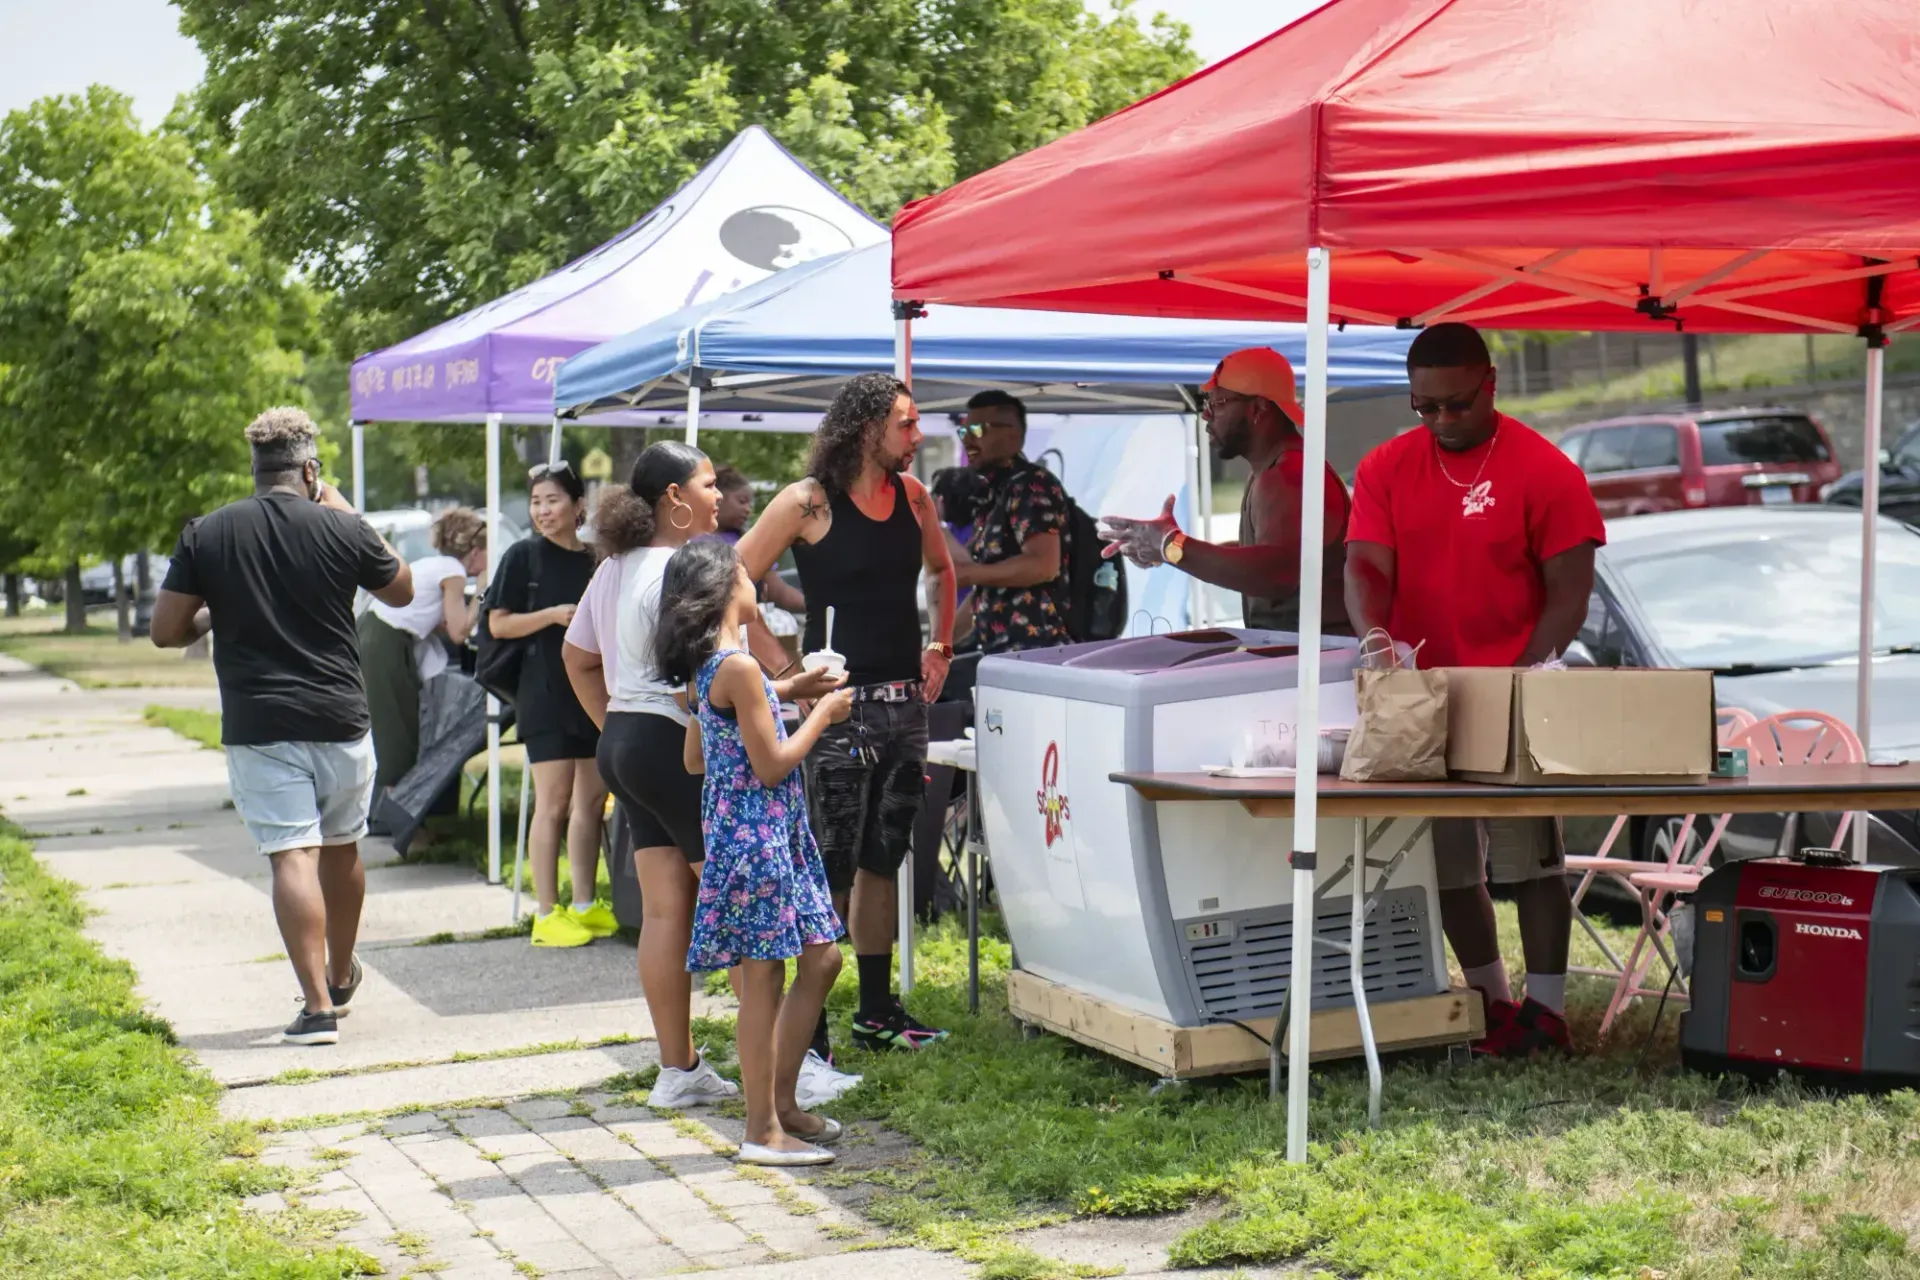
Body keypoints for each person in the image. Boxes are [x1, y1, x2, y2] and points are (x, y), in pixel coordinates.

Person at [561, 444, 858, 1111]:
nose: (718, 494)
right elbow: (716, 687)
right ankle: (793, 1067)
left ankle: (679, 1067)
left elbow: (576, 657)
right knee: (753, 924)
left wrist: (615, 721)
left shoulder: (612, 567)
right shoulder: (691, 570)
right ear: (674, 498)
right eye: (705, 483)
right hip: (676, 748)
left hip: (625, 744)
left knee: (667, 911)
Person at [1344, 322, 1605, 1057]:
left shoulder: (1544, 469)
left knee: (1532, 860)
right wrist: (1375, 637)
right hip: (1422, 693)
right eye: (1424, 408)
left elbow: (1569, 594)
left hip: (1515, 687)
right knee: (1449, 862)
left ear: (1491, 383)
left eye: (1456, 405)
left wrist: (1526, 676)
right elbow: (1365, 564)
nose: (1442, 421)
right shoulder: (1386, 467)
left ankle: (1546, 1012)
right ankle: (1490, 1001)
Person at [150, 407, 413, 1046]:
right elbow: (401, 590)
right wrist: (344, 507)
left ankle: (317, 1007)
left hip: (258, 721)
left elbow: (165, 631)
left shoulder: (207, 534)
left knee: (290, 852)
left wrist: (212, 617)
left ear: (256, 468)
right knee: (343, 844)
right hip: (340, 716)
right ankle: (342, 971)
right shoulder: (342, 529)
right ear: (310, 469)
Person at [737, 372, 958, 1053]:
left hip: (903, 707)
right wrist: (783, 673)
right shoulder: (808, 503)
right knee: (828, 864)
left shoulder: (914, 497)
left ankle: (874, 1011)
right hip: (834, 711)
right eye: (906, 424)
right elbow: (733, 582)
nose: (918, 437)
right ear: (867, 428)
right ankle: (811, 1030)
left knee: (883, 861)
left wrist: (941, 645)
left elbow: (943, 572)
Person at [658, 538, 854, 1166]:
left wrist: (784, 689)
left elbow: (697, 757)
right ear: (723, 589)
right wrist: (821, 713)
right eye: (747, 574)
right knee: (765, 978)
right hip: (757, 837)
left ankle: (783, 1104)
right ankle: (762, 1129)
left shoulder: (719, 667)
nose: (757, 582)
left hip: (761, 835)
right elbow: (770, 767)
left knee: (821, 961)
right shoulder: (736, 668)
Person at [1098, 347, 1352, 634]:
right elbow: (1259, 554)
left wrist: (1173, 546)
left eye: (1217, 403)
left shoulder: (1288, 475)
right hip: (1308, 656)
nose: (1206, 415)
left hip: (1318, 661)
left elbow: (1275, 574)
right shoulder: (1275, 469)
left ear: (1257, 409)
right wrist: (1170, 548)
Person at [488, 461, 609, 948]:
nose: (542, 510)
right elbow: (498, 624)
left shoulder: (598, 558)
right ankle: (545, 911)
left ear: (579, 506)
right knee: (553, 804)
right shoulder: (523, 557)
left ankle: (583, 902)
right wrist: (551, 616)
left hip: (593, 693)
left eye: (552, 500)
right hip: (543, 695)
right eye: (536, 501)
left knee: (592, 803)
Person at [358, 507, 488, 790]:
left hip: (375, 633)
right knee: (398, 727)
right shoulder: (453, 571)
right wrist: (481, 590)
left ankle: (390, 806)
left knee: (389, 723)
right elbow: (458, 632)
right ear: (476, 551)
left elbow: (435, 619)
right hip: (387, 643)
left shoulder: (432, 565)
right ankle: (400, 811)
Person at [946, 391, 1074, 653]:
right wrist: (937, 646)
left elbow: (1042, 565)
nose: (968, 439)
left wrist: (969, 573)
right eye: (964, 432)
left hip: (1041, 654)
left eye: (978, 430)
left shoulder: (1030, 485)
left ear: (1013, 435)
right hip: (1007, 656)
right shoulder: (993, 493)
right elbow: (986, 590)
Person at [704, 465, 807, 614]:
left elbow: (778, 591)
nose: (748, 509)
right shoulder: (690, 539)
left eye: (749, 503)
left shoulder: (750, 541)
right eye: (741, 501)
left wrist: (817, 608)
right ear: (718, 497)